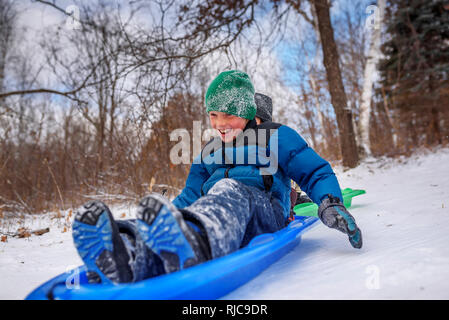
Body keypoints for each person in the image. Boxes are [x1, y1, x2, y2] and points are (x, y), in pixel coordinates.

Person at [72, 70, 363, 284]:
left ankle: (195, 246)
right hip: (217, 208)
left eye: (228, 116)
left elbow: (313, 170)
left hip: (264, 212)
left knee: (228, 189)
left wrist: (329, 202)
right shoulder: (210, 150)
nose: (220, 124)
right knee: (200, 203)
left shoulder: (275, 136)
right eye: (213, 115)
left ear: (250, 113)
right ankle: (126, 250)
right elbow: (190, 196)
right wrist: (167, 216)